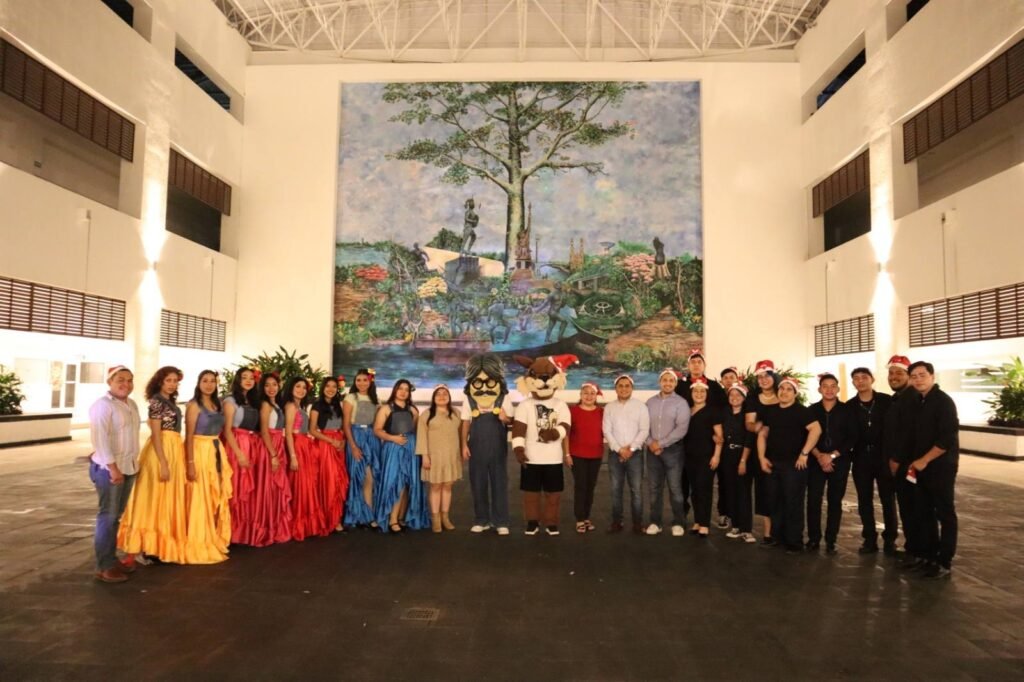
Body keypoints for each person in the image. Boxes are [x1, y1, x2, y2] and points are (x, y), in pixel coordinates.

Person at [117, 366, 188, 564]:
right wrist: (163, 462)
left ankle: (157, 545)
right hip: (161, 451)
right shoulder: (157, 402)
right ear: (160, 381)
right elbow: (156, 435)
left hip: (173, 449)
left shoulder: (168, 401)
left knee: (165, 498)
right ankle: (144, 546)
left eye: (175, 381)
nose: (172, 384)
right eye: (168, 380)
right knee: (154, 498)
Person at [512, 354, 576, 536]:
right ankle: (532, 522)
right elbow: (519, 430)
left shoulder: (560, 405)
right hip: (531, 459)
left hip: (553, 459)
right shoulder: (525, 405)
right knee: (530, 494)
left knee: (553, 494)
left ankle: (551, 522)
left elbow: (565, 426)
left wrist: (554, 433)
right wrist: (518, 449)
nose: (545, 380)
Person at [757, 376, 821, 554]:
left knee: (793, 503)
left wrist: (804, 453)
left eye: (788, 389)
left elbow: (816, 430)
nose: (784, 392)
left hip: (794, 466)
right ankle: (778, 538)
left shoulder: (802, 411)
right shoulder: (771, 411)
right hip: (773, 464)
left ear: (795, 393)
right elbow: (763, 434)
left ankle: (794, 542)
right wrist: (761, 457)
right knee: (775, 502)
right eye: (782, 388)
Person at [88, 365, 141, 583]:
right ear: (110, 382)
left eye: (129, 380)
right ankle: (104, 566)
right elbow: (100, 439)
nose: (125, 384)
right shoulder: (102, 406)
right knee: (107, 517)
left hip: (128, 466)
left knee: (115, 517)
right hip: (110, 469)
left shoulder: (131, 404)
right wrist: (112, 468)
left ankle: (110, 558)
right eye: (120, 380)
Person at [907, 361, 959, 579]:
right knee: (924, 512)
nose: (918, 379)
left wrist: (925, 459)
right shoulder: (918, 401)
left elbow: (947, 438)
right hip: (921, 467)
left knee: (944, 513)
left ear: (932, 376)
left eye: (922, 375)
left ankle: (944, 560)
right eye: (914, 376)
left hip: (940, 467)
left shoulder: (943, 402)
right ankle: (929, 556)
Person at [182, 370, 232, 564]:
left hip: (215, 449)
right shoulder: (194, 405)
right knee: (201, 495)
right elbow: (189, 435)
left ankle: (212, 536)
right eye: (205, 381)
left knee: (215, 494)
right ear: (199, 383)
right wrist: (190, 463)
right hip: (199, 451)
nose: (209, 384)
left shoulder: (218, 403)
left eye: (212, 381)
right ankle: (199, 539)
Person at [461, 353, 512, 535]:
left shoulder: (504, 398)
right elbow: (465, 423)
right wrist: (463, 444)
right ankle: (481, 519)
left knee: (499, 483)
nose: (484, 387)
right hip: (476, 447)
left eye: (489, 381)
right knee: (478, 483)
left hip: (498, 447)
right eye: (478, 382)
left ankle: (501, 521)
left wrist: (505, 418)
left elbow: (510, 421)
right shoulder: (469, 399)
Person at [848, 367, 897, 555]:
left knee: (888, 499)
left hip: (884, 458)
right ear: (853, 382)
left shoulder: (886, 401)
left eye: (864, 377)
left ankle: (890, 540)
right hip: (861, 459)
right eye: (856, 378)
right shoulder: (850, 406)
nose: (860, 381)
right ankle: (869, 539)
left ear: (872, 379)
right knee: (864, 500)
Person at [675, 350, 727, 527]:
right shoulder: (680, 386)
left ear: (704, 365)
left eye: (699, 362)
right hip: (685, 445)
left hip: (707, 445)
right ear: (688, 365)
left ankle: (704, 520)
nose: (696, 365)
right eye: (693, 362)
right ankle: (683, 516)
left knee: (703, 485)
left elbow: (723, 410)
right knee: (683, 484)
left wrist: (717, 433)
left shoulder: (714, 387)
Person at [806, 373, 856, 555]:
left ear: (838, 388)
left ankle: (831, 540)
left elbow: (852, 437)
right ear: (819, 389)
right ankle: (813, 538)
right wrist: (820, 456)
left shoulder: (847, 410)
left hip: (839, 462)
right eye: (825, 386)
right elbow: (805, 436)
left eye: (833, 386)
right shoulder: (811, 410)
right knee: (813, 500)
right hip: (815, 461)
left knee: (835, 501)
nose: (829, 389)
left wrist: (832, 456)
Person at [883, 355, 925, 567]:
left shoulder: (911, 398)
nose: (894, 377)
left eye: (899, 373)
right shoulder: (898, 398)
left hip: (907, 464)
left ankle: (917, 552)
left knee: (913, 509)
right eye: (891, 373)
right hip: (900, 462)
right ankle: (913, 550)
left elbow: (908, 433)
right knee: (907, 508)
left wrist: (897, 459)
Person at [374, 379, 428, 532]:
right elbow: (377, 430)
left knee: (408, 483)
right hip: (393, 448)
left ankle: (401, 517)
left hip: (410, 448)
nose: (403, 392)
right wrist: (393, 438)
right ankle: (392, 518)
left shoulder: (413, 410)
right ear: (395, 390)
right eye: (400, 388)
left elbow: (417, 431)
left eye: (406, 389)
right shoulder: (386, 408)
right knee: (395, 482)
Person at [645, 369, 690, 536]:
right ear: (660, 382)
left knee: (675, 489)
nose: (668, 383)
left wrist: (661, 443)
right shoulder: (650, 402)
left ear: (675, 383)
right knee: (654, 489)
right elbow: (643, 426)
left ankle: (678, 522)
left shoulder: (681, 403)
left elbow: (681, 429)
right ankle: (655, 522)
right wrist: (651, 443)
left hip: (673, 451)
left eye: (671, 380)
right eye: (665, 380)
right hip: (652, 451)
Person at [602, 375, 649, 535]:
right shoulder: (609, 407)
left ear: (632, 388)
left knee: (636, 490)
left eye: (627, 386)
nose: (624, 388)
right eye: (620, 386)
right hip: (615, 454)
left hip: (635, 455)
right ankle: (617, 522)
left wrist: (631, 448)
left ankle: (637, 523)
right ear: (615, 388)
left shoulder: (640, 407)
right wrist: (619, 449)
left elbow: (644, 430)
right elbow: (607, 431)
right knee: (616, 490)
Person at [222, 367, 264, 546]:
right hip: (236, 445)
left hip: (251, 445)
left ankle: (244, 531)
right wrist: (239, 453)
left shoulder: (254, 401)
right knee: (237, 488)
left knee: (248, 489)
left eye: (251, 378)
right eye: (244, 377)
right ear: (238, 380)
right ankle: (231, 531)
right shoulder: (230, 400)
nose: (248, 380)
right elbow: (227, 430)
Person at [416, 385, 463, 533]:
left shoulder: (456, 413)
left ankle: (445, 517)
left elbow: (461, 434)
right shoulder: (427, 414)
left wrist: (462, 451)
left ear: (449, 397)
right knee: (435, 486)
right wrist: (424, 455)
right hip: (434, 456)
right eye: (438, 394)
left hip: (451, 456)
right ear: (433, 397)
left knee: (448, 486)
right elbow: (421, 436)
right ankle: (435, 518)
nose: (442, 396)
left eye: (445, 394)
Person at [255, 372, 293, 545]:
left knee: (275, 489)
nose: (271, 388)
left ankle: (275, 526)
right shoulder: (265, 405)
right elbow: (264, 431)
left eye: (274, 385)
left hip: (278, 445)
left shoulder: (276, 404)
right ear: (262, 388)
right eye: (267, 385)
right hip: (269, 447)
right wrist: (273, 455)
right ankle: (267, 528)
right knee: (269, 487)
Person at [683, 377, 724, 537]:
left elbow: (719, 437)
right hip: (689, 457)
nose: (699, 394)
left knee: (704, 490)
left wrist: (716, 456)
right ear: (691, 393)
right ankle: (698, 521)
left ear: (707, 394)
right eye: (696, 391)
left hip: (706, 457)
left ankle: (705, 524)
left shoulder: (713, 411)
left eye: (702, 391)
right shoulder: (688, 410)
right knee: (694, 491)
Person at [284, 376, 323, 540]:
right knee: (299, 485)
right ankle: (297, 525)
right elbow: (288, 433)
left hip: (304, 446)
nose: (301, 390)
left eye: (304, 387)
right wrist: (293, 456)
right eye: (297, 386)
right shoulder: (290, 406)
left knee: (306, 484)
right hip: (297, 446)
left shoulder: (299, 406)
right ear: (291, 388)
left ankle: (305, 525)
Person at [745, 359, 780, 543]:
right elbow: (749, 424)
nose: (763, 380)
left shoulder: (784, 394)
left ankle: (782, 529)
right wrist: (757, 427)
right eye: (760, 377)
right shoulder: (753, 399)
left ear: (774, 377)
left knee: (783, 491)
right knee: (765, 491)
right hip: (760, 451)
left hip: (782, 450)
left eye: (767, 376)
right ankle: (768, 533)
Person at [310, 377, 349, 533]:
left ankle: (336, 518)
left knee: (339, 481)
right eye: (328, 386)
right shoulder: (317, 405)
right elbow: (312, 430)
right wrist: (331, 441)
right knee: (329, 482)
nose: (331, 389)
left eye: (334, 386)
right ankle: (327, 519)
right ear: (323, 388)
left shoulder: (338, 405)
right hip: (325, 445)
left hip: (338, 444)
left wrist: (343, 440)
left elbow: (342, 427)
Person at [343, 369, 381, 529]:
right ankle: (360, 515)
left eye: (365, 380)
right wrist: (353, 446)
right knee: (359, 477)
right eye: (358, 380)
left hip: (371, 439)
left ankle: (367, 514)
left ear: (370, 381)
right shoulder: (350, 398)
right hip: (356, 437)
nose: (361, 383)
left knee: (371, 478)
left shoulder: (375, 399)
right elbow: (346, 424)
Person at [568, 382, 605, 534]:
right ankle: (579, 518)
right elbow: (566, 434)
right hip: (577, 455)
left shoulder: (601, 412)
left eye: (592, 393)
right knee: (581, 486)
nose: (589, 396)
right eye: (586, 393)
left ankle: (586, 516)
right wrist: (567, 454)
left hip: (596, 455)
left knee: (590, 487)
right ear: (580, 395)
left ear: (596, 396)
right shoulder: (573, 411)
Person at [722, 384, 757, 543]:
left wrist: (743, 460)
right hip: (727, 456)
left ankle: (746, 529)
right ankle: (735, 526)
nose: (734, 398)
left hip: (743, 455)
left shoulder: (748, 416)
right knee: (731, 491)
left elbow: (750, 439)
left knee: (743, 493)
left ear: (744, 398)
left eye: (738, 395)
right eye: (731, 395)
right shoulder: (725, 413)